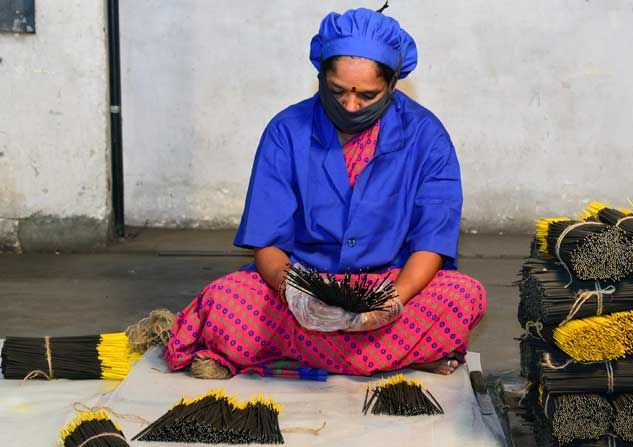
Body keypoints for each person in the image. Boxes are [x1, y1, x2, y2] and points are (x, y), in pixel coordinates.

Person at [164, 7, 486, 377]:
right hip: (304, 283)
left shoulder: (427, 138)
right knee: (223, 306)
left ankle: (297, 354)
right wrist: (297, 295)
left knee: (463, 298)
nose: (350, 106)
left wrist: (391, 301)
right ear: (320, 77)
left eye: (367, 96)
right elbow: (268, 242)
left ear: (393, 85)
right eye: (337, 91)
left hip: (387, 282)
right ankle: (388, 356)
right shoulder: (285, 132)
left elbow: (432, 241)